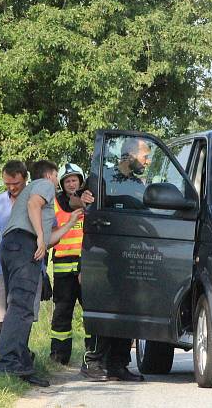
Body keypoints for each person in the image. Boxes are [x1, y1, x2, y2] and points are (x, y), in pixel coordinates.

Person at [0, 160, 83, 387]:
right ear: (52, 175)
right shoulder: (43, 184)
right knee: (21, 307)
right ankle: (9, 364)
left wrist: (70, 222)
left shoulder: (36, 190)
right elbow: (34, 206)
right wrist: (40, 238)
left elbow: (52, 238)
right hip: (23, 244)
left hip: (15, 246)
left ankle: (21, 363)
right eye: (57, 177)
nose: (58, 182)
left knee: (20, 307)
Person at [82, 138, 149, 382]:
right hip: (105, 254)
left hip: (132, 255)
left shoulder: (139, 185)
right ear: (130, 155)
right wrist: (84, 199)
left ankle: (118, 363)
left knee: (128, 307)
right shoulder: (103, 180)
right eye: (145, 155)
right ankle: (93, 361)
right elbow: (81, 206)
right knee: (106, 305)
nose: (147, 160)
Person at [49, 163, 95, 364]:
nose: (71, 184)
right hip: (62, 269)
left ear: (81, 180)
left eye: (74, 180)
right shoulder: (54, 203)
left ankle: (92, 354)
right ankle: (59, 357)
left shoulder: (90, 199)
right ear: (62, 183)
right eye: (67, 181)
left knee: (91, 312)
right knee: (62, 313)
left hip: (86, 266)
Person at [0, 160, 29, 327]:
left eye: (15, 183)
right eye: (7, 184)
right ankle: (8, 350)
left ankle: (19, 351)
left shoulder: (35, 199)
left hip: (27, 268)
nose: (11, 188)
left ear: (25, 178)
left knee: (23, 315)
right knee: (0, 317)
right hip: (2, 269)